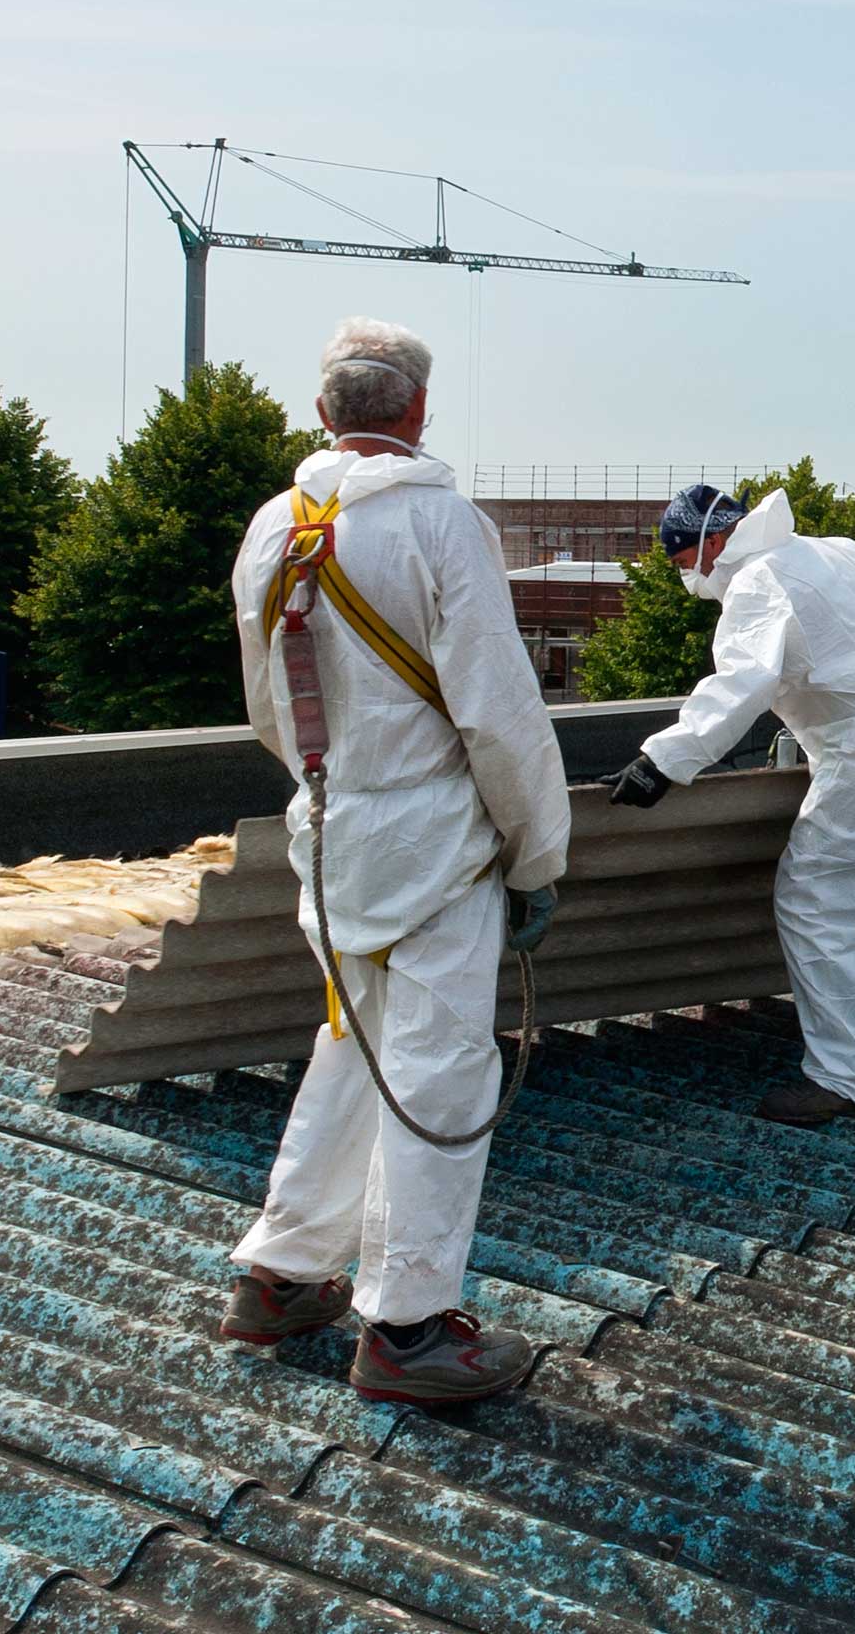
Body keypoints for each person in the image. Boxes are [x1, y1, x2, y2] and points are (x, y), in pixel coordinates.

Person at [222, 315, 570, 1402]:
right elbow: (501, 717)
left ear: (323, 412)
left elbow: (268, 709)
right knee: (438, 1073)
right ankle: (409, 1329)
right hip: (433, 848)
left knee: (353, 1051)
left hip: (331, 837)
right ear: (416, 411)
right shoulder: (443, 526)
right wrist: (534, 854)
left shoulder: (274, 527)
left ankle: (281, 1275)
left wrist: (345, 792)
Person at [603, 482, 855, 1123]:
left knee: (817, 905)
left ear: (712, 542)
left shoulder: (758, 580)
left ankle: (847, 1079)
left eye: (685, 564)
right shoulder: (844, 552)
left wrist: (664, 762)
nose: (690, 579)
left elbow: (743, 680)